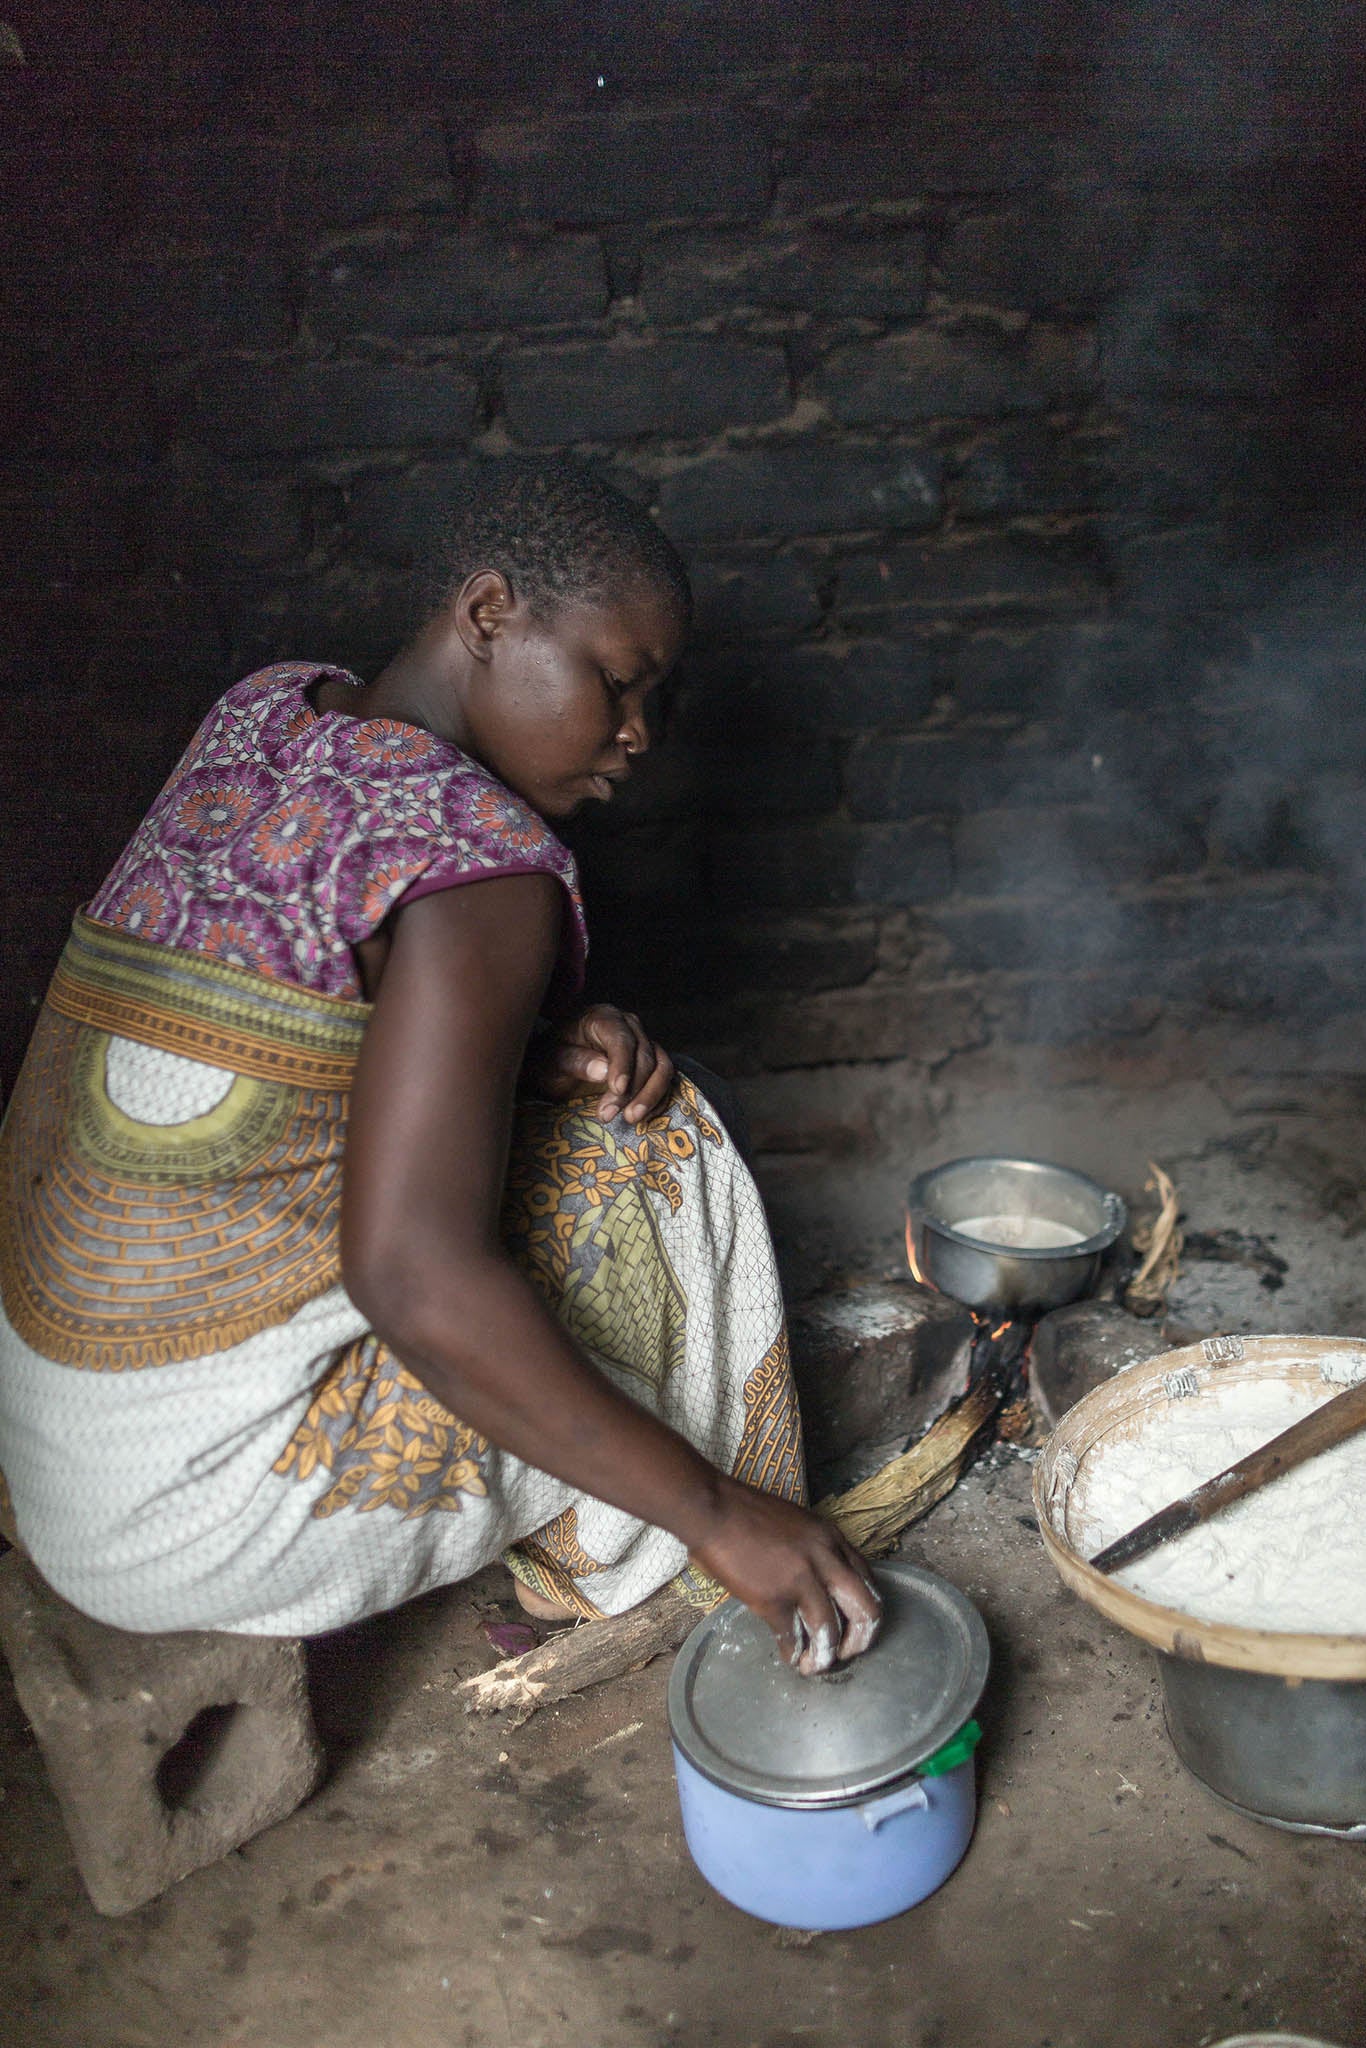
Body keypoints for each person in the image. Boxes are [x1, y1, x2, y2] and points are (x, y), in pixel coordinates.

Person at [0, 460, 881, 1679]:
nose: (638, 737)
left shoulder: (268, 710)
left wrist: (515, 1052)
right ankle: (659, 1567)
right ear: (485, 615)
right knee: (663, 1151)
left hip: (52, 1446)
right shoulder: (486, 864)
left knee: (565, 1139)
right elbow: (409, 1273)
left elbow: (278, 1054)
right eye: (618, 682)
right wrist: (717, 1507)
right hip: (186, 1516)